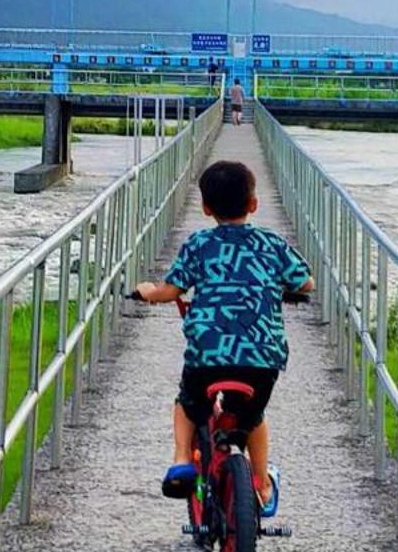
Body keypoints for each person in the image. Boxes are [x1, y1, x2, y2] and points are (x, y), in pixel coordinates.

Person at [131, 157, 312, 517]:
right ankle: (260, 484)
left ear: (206, 207)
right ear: (254, 204)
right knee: (254, 416)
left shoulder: (199, 244)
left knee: (187, 401)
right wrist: (284, 289)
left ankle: (182, 460)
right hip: (262, 359)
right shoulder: (272, 244)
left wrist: (147, 290)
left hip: (207, 355)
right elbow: (305, 281)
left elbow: (171, 290)